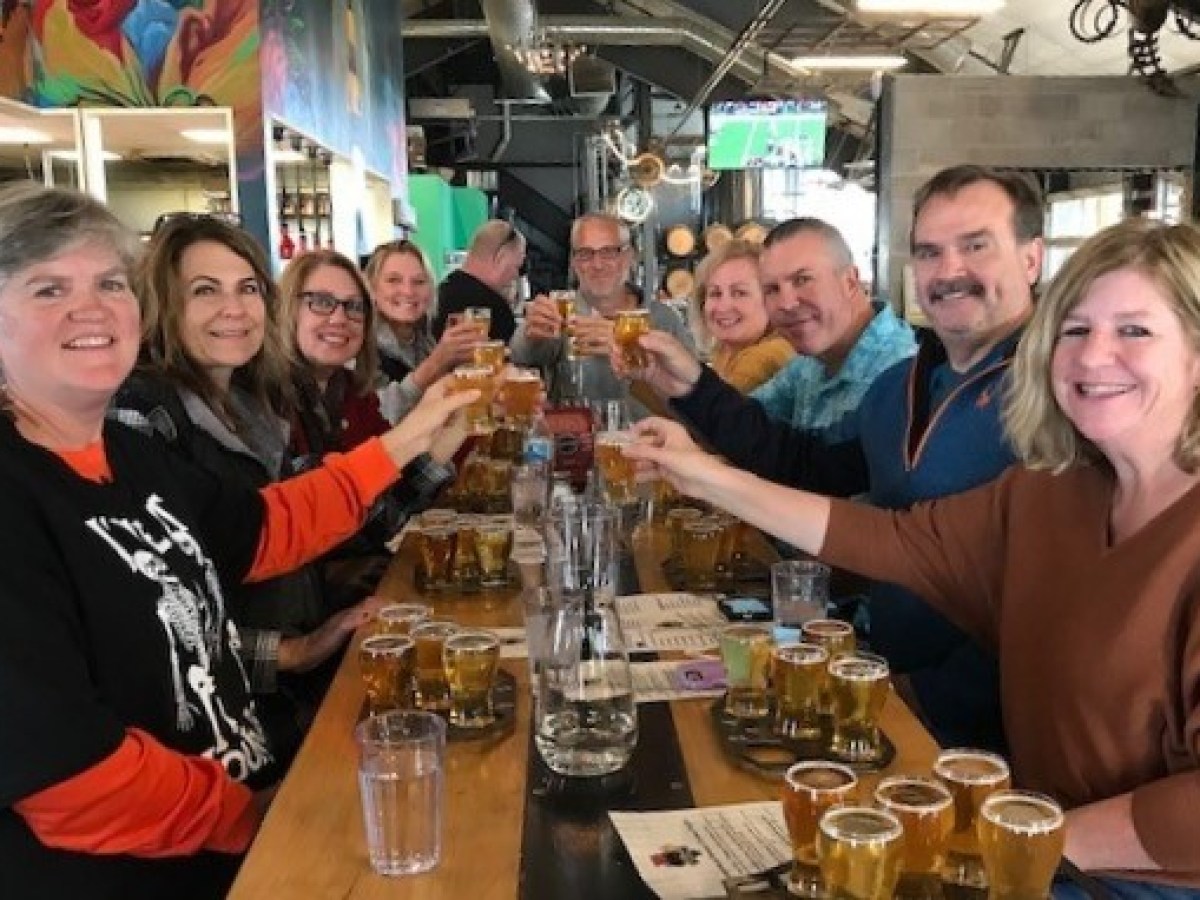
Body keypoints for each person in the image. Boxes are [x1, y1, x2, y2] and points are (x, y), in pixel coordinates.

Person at [629, 217, 1200, 893]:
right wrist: (708, 476)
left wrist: (1010, 842)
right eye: (1075, 330)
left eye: (1134, 330)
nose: (1094, 356)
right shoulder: (1050, 492)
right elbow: (891, 540)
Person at [0, 183, 471, 898]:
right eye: (48, 289)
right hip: (148, 870)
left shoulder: (130, 457)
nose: (90, 308)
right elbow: (69, 777)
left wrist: (409, 437)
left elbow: (264, 528)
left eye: (107, 283)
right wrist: (253, 812)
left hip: (243, 820)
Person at [627, 166, 1046, 752]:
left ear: (1032, 258)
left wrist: (914, 697)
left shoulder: (1060, 392)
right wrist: (694, 386)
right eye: (929, 253)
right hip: (879, 678)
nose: (949, 271)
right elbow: (805, 462)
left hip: (978, 733)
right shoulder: (904, 382)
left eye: (975, 246)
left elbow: (1030, 595)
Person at [109, 218, 379, 767]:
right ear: (163, 302)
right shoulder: (143, 412)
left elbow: (310, 521)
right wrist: (288, 653)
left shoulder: (260, 403)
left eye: (248, 288)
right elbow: (156, 613)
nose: (234, 309)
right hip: (219, 735)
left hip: (284, 695)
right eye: (205, 290)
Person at [278, 249, 453, 556]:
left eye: (354, 307)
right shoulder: (267, 402)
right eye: (320, 302)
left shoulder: (350, 391)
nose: (339, 318)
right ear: (286, 309)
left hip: (351, 585)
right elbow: (330, 522)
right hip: (310, 597)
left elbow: (397, 497)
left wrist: (461, 421)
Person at [511, 211, 695, 419]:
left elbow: (694, 398)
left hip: (650, 445)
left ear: (629, 257)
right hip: (576, 445)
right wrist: (529, 334)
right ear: (574, 263)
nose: (597, 265)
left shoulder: (662, 318)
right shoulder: (561, 312)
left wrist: (626, 349)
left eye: (608, 252)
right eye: (586, 254)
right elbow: (520, 359)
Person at [745, 218, 915, 430]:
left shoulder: (900, 374)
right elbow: (742, 420)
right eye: (772, 289)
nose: (786, 304)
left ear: (850, 282)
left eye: (803, 280)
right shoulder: (813, 361)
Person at [365, 238, 478, 424]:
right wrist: (436, 363)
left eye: (418, 281)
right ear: (372, 289)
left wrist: (463, 364)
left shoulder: (422, 337)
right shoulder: (360, 346)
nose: (408, 291)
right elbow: (376, 418)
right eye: (393, 280)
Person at [688, 238, 793, 394]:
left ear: (771, 299)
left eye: (739, 293)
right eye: (715, 293)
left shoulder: (766, 357)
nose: (723, 307)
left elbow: (712, 416)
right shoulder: (725, 351)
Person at [431, 219, 524, 341]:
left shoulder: (439, 293)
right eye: (516, 267)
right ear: (501, 259)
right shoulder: (495, 310)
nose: (515, 275)